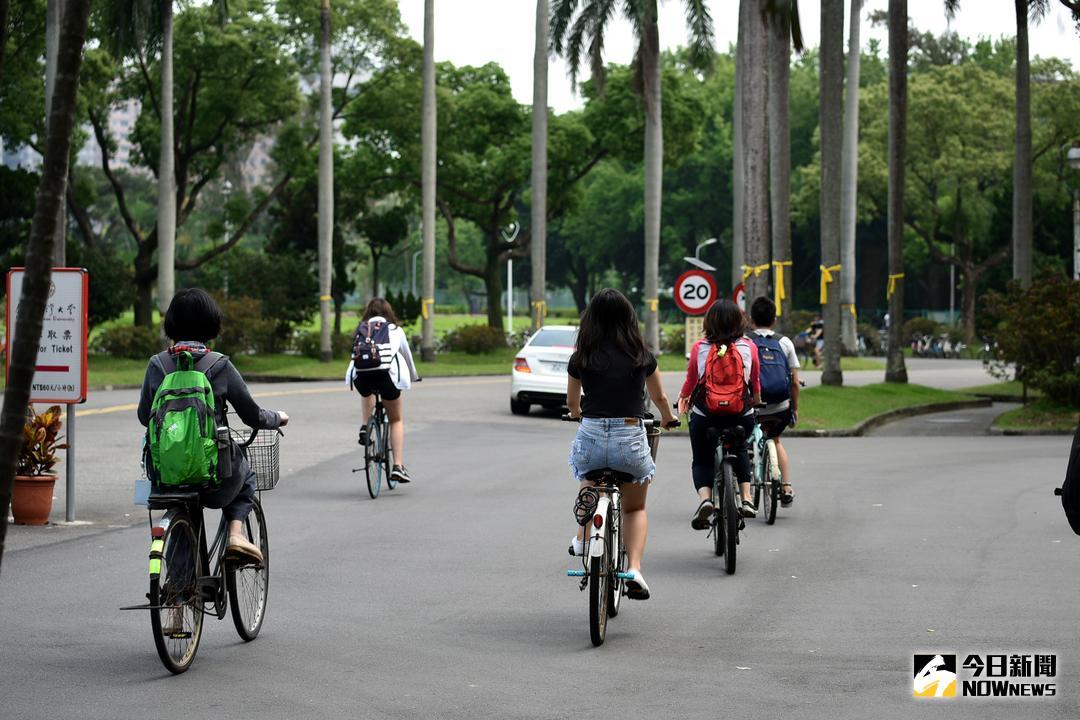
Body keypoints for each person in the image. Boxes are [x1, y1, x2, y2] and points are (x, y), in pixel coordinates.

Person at [137, 288, 288, 565]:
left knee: (180, 506)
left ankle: (179, 587)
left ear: (171, 324)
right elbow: (251, 414)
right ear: (211, 324)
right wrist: (276, 418)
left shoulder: (157, 365)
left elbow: (143, 415)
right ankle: (235, 535)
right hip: (214, 477)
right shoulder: (219, 365)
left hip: (166, 475)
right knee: (247, 476)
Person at [566, 289, 678, 601]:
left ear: (591, 321)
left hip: (591, 435)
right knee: (635, 506)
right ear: (629, 319)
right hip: (629, 438)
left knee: (588, 477)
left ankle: (583, 538)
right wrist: (668, 418)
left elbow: (573, 404)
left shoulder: (581, 358)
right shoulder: (642, 356)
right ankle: (636, 570)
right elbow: (659, 399)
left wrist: (577, 414)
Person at [677, 298, 760, 528]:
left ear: (709, 322)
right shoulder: (748, 347)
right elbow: (755, 382)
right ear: (738, 321)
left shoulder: (700, 348)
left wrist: (683, 399)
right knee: (741, 448)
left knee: (702, 459)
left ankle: (705, 500)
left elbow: (691, 382)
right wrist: (756, 401)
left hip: (707, 416)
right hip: (740, 415)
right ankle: (746, 498)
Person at [346, 297, 420, 484]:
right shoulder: (395, 330)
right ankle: (398, 466)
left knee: (367, 390)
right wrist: (414, 376)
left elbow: (354, 358)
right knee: (396, 419)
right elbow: (407, 357)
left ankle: (365, 425)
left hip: (361, 378)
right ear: (389, 313)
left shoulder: (361, 329)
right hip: (387, 377)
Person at [748, 296, 800, 505]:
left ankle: (745, 493)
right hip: (780, 407)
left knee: (743, 442)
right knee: (776, 440)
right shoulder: (784, 342)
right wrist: (794, 409)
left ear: (751, 319)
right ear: (774, 319)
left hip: (752, 406)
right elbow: (795, 382)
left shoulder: (745, 341)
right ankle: (786, 486)